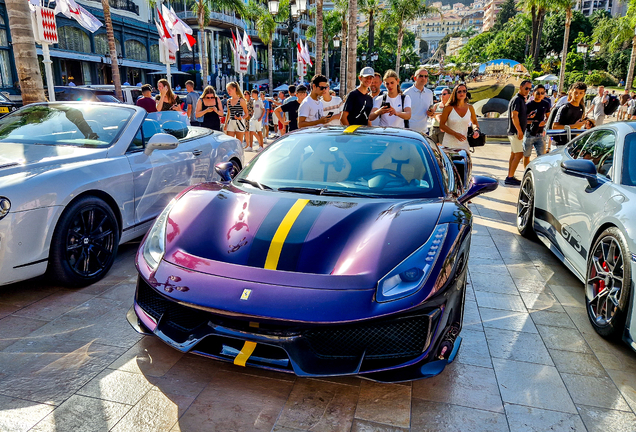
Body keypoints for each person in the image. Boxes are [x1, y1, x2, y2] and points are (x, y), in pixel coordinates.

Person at [504, 80, 532, 185]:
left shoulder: (520, 100)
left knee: (514, 154)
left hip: (514, 131)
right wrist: (519, 131)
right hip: (515, 132)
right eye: (526, 88)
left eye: (530, 89)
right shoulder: (517, 100)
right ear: (520, 87)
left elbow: (518, 116)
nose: (528, 91)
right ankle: (510, 177)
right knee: (519, 154)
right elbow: (514, 115)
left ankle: (510, 175)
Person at [439, 83, 479, 153]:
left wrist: (476, 130)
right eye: (459, 91)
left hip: (464, 144)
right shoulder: (448, 107)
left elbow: (474, 122)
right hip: (449, 145)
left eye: (464, 91)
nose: (462, 93)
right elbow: (442, 125)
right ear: (455, 93)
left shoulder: (470, 107)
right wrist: (455, 134)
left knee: (466, 163)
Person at [523, 85, 550, 168]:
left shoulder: (546, 104)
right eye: (538, 93)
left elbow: (549, 117)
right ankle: (526, 173)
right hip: (529, 132)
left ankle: (539, 172)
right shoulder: (528, 105)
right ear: (533, 93)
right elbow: (523, 120)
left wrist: (544, 122)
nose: (540, 95)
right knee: (526, 155)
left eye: (542, 93)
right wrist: (531, 120)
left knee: (542, 156)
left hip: (541, 133)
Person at [553, 81, 587, 146]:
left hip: (572, 144)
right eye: (576, 92)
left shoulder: (581, 108)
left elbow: (578, 128)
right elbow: (555, 127)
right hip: (559, 144)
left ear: (584, 94)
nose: (577, 95)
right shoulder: (564, 107)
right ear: (571, 92)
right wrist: (574, 126)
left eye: (581, 93)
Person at [404, 67, 435, 134]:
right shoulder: (407, 93)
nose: (423, 78)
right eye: (420, 76)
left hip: (424, 131)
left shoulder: (429, 93)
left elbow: (431, 113)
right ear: (415, 78)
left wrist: (431, 113)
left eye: (426, 76)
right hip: (409, 131)